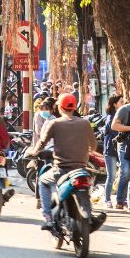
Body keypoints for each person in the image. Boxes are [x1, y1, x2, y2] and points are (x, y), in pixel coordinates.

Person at [27, 93, 94, 232]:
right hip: (81, 169)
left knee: (43, 181)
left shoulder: (55, 123)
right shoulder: (85, 123)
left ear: (59, 108)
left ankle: (48, 217)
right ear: (74, 107)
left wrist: (33, 152)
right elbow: (93, 146)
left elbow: (41, 143)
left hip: (61, 169)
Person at [101, 94, 123, 204]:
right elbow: (115, 132)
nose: (123, 104)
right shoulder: (111, 117)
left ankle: (121, 199)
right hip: (110, 150)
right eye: (121, 102)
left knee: (125, 173)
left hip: (120, 149)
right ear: (115, 104)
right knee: (111, 176)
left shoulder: (121, 115)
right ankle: (107, 200)